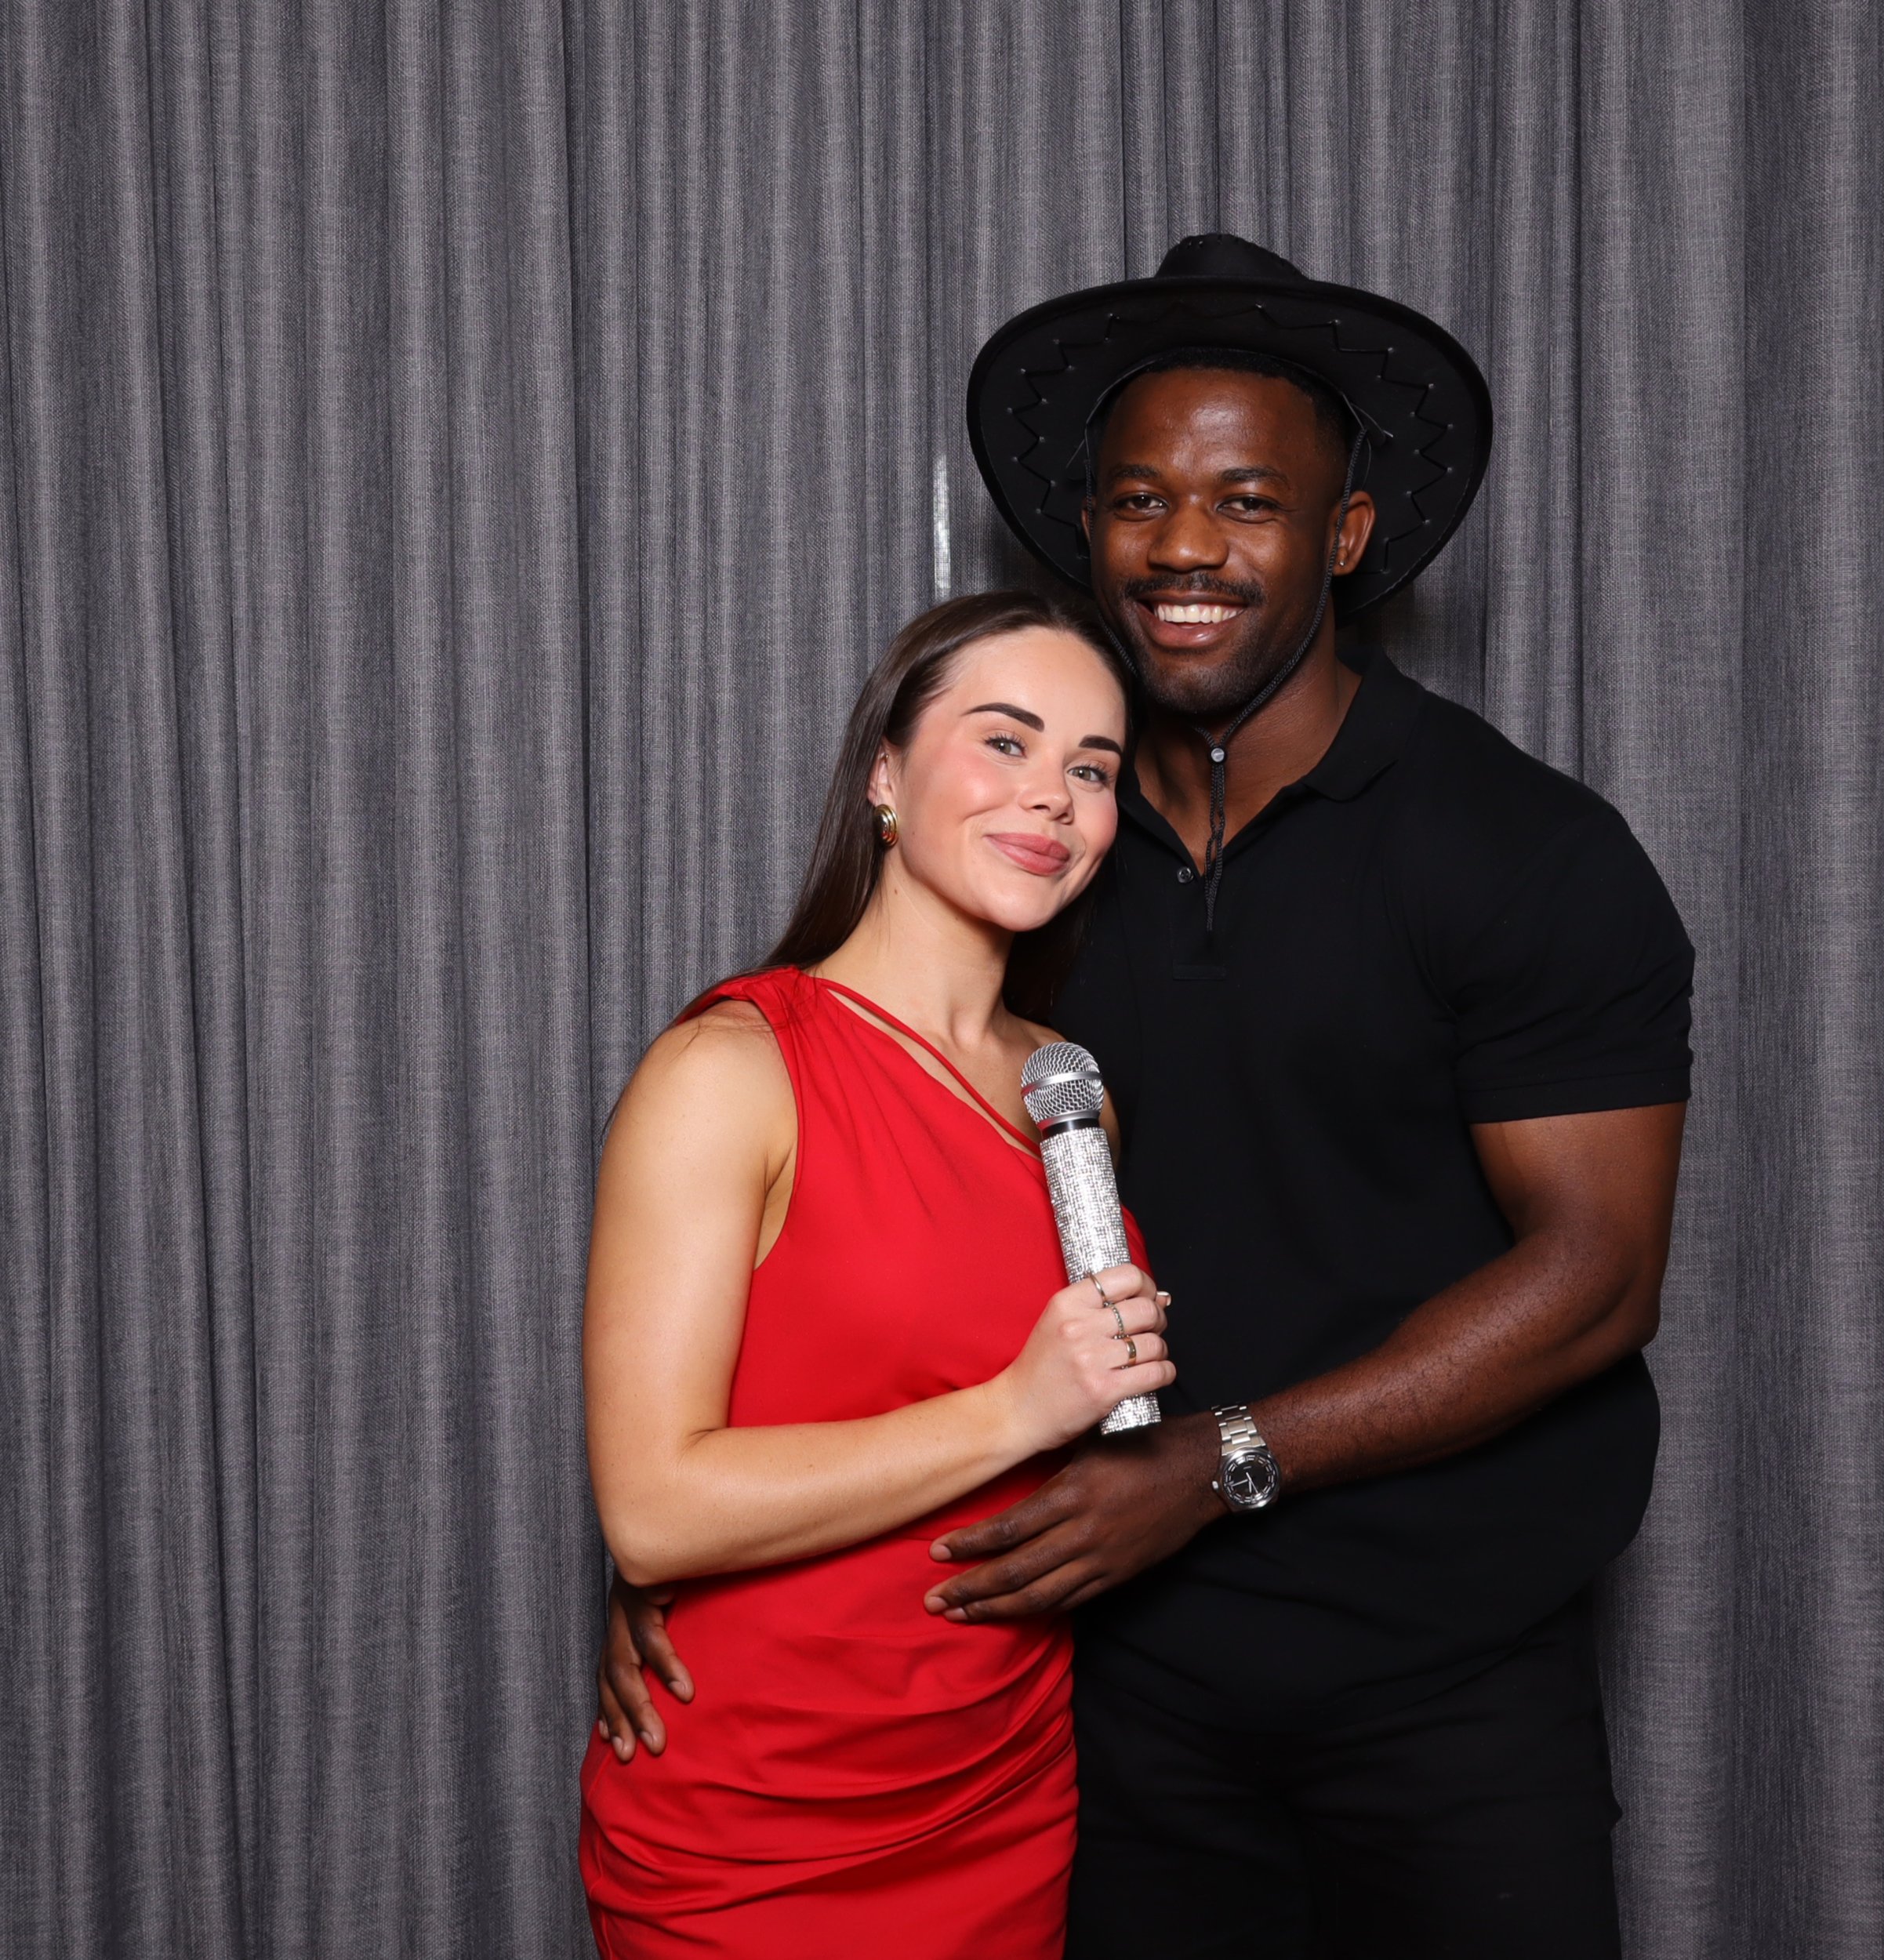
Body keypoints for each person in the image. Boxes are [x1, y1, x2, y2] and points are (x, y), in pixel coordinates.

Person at [601, 235, 1693, 1958]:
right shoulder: (1032, 877)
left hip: (1441, 1684)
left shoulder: (1521, 852)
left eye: (1245, 499)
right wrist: (703, 1557)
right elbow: (840, 1259)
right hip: (1107, 1696)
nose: (1184, 546)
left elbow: (1594, 1274)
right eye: (1137, 499)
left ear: (1343, 536)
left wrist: (1219, 1459)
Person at [576, 588, 1174, 1960]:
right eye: (1005, 743)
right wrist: (1022, 1406)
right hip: (762, 1823)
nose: (1055, 798)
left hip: (1003, 1787)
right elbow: (655, 1514)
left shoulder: (1068, 1095)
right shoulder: (730, 1072)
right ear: (887, 777)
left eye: (1091, 767)